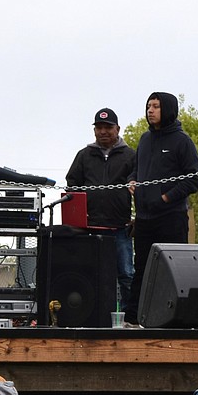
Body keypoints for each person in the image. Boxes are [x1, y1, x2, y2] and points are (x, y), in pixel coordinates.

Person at [124, 92, 198, 327]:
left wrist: (166, 197)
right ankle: (133, 319)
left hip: (171, 217)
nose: (150, 110)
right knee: (141, 269)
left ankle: (176, 319)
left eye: (156, 106)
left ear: (167, 109)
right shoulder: (145, 140)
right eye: (148, 106)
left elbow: (194, 180)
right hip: (145, 218)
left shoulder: (182, 141)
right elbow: (136, 169)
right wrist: (132, 181)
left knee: (172, 271)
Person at [65, 107, 137, 311]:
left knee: (126, 275)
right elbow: (72, 185)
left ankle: (128, 317)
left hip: (120, 228)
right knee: (89, 274)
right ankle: (92, 314)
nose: (104, 131)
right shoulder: (84, 155)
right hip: (90, 229)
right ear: (94, 130)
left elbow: (139, 186)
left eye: (108, 127)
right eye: (99, 127)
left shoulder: (130, 155)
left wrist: (137, 218)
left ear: (117, 129)